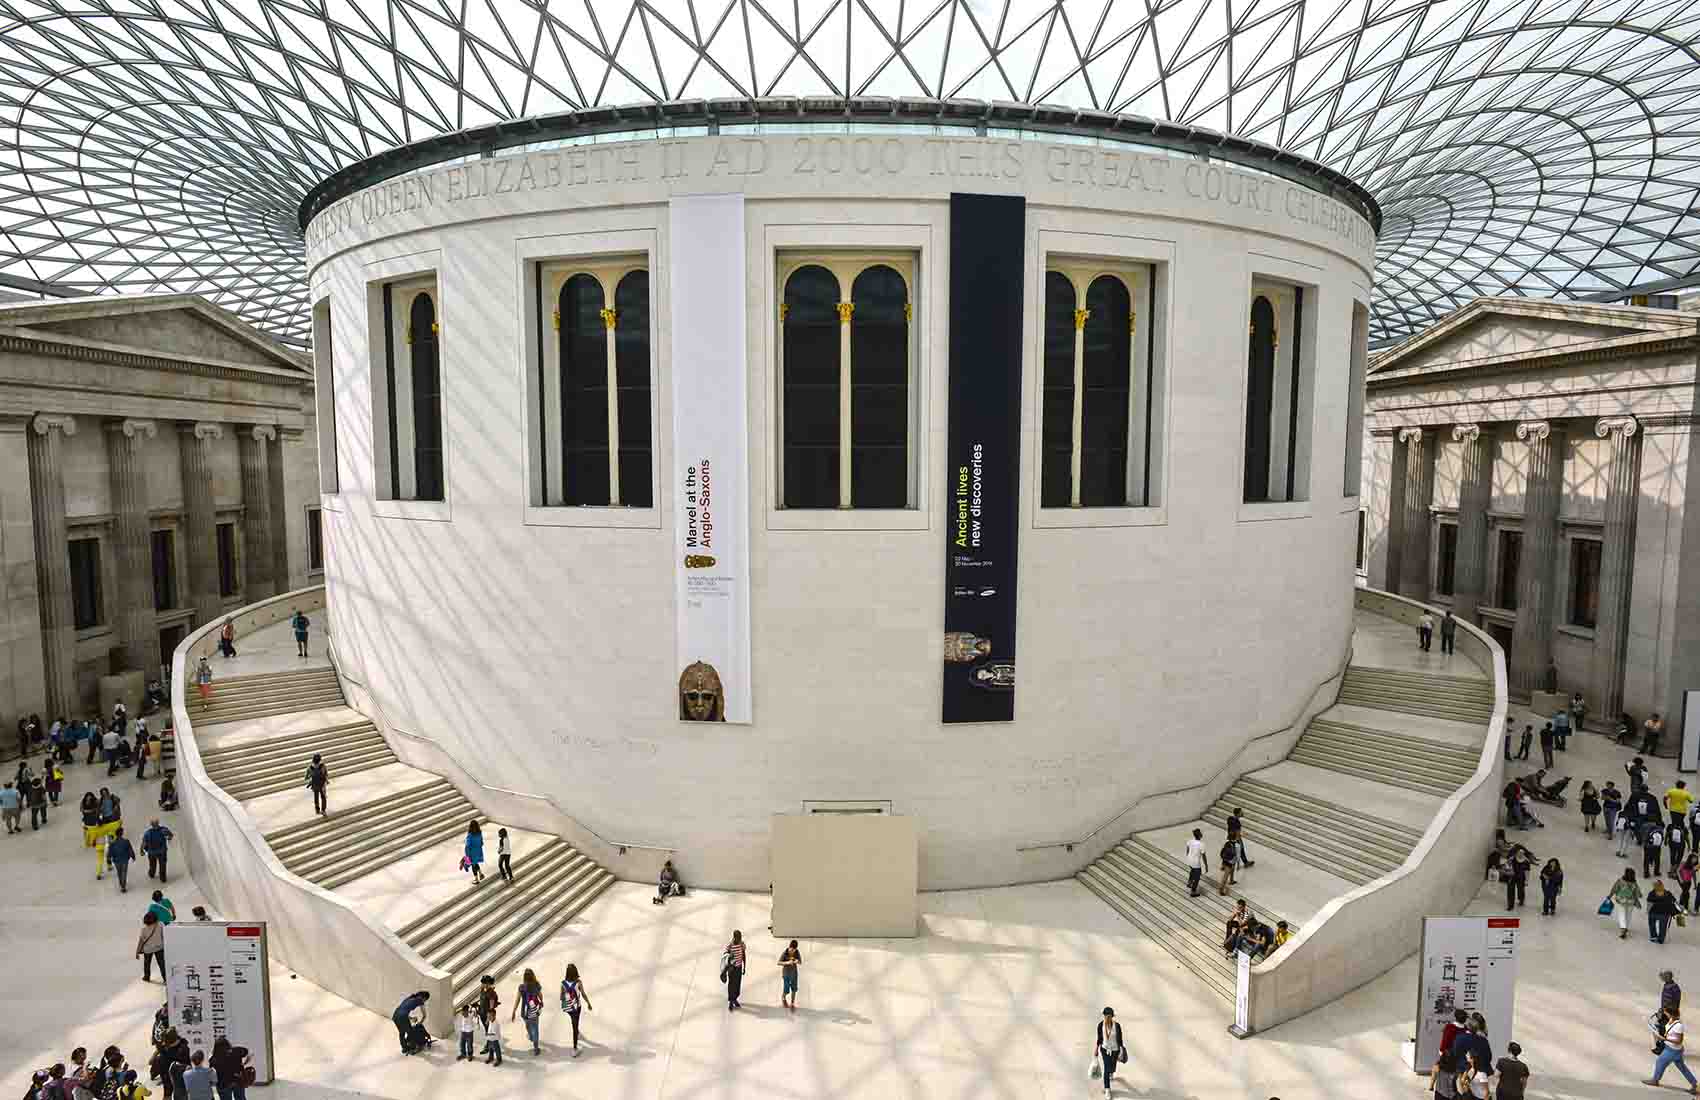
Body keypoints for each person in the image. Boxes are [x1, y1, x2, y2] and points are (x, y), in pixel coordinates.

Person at [1648, 1005, 1699, 1089]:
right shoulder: (1671, 1020)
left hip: (1672, 1050)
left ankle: (1655, 1080)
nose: (1665, 1014)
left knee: (1660, 1062)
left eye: (1666, 1013)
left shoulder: (1678, 1026)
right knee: (1682, 1068)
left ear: (1671, 1013)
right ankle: (1695, 1085)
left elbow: (1679, 1040)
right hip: (1674, 1049)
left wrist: (1665, 1039)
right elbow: (1666, 1029)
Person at [1093, 1006, 1127, 1099]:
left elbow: (1120, 1039)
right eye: (1106, 1016)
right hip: (1105, 1049)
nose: (1107, 1018)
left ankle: (1111, 1072)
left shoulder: (1117, 1026)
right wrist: (1096, 1048)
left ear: (1112, 1017)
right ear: (1104, 1016)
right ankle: (1107, 1089)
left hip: (1115, 1050)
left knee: (1112, 1066)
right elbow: (1099, 1038)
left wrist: (1121, 1049)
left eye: (1109, 1016)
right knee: (1106, 1069)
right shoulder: (1100, 1025)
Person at [559, 962, 591, 1057]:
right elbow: (583, 994)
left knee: (573, 1021)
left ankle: (576, 1030)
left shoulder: (563, 983)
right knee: (575, 1025)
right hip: (577, 1007)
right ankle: (574, 1049)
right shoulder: (578, 982)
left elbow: (561, 997)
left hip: (568, 1007)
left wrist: (567, 996)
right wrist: (588, 1003)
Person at [511, 968, 544, 1055]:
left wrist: (514, 1011)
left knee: (528, 1025)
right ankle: (536, 1048)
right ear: (533, 976)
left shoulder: (521, 987)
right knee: (535, 1028)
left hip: (525, 1012)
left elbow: (517, 1000)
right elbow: (540, 996)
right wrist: (541, 1002)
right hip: (534, 1011)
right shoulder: (536, 985)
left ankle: (531, 1035)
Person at [209, 1035, 249, 1100]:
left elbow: (211, 1069)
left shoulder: (214, 1058)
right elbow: (249, 1053)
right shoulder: (237, 1050)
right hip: (238, 1080)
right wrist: (244, 1063)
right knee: (241, 1098)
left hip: (223, 1083)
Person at [1612, 867, 1644, 939]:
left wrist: (1610, 895)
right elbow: (1638, 893)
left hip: (1621, 901)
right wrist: (1640, 896)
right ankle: (1626, 927)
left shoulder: (1620, 881)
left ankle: (1623, 928)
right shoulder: (1634, 883)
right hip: (1631, 902)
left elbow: (1614, 888)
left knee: (1621, 914)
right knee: (1628, 915)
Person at [136, 910, 166, 981]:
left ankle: (147, 977)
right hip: (159, 948)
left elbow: (141, 941)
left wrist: (137, 952)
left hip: (148, 949)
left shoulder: (144, 929)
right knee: (161, 964)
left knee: (147, 964)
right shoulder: (160, 924)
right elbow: (164, 935)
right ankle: (165, 978)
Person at [1651, 879, 1682, 944]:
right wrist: (1680, 908)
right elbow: (1675, 901)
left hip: (1655, 913)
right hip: (1666, 913)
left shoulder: (1652, 893)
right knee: (1663, 926)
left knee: (1652, 923)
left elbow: (1649, 903)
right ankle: (1661, 939)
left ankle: (1654, 936)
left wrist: (1648, 911)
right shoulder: (1668, 893)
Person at [109, 826, 137, 891]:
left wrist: (108, 859)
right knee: (124, 872)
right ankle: (123, 886)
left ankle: (121, 883)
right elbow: (130, 850)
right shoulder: (126, 841)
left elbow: (110, 852)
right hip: (124, 859)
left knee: (119, 872)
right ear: (121, 833)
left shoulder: (112, 843)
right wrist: (133, 856)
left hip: (116, 860)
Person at [723, 930, 746, 1010]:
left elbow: (743, 955)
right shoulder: (730, 945)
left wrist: (744, 966)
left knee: (737, 984)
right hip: (732, 969)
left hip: (739, 967)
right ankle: (731, 1001)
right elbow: (725, 956)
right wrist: (729, 956)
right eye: (738, 938)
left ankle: (735, 998)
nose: (740, 939)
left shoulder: (742, 944)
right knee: (731, 985)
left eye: (740, 937)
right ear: (734, 937)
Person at [1183, 828, 1208, 897]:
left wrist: (1188, 857)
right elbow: (1203, 856)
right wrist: (1206, 865)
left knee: (1192, 870)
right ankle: (1193, 891)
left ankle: (1189, 882)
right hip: (1196, 863)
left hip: (1189, 860)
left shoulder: (1190, 841)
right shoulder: (1201, 844)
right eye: (1201, 833)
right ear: (1199, 835)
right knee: (1197, 877)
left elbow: (1187, 850)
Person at [779, 940, 802, 1011]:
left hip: (794, 974)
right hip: (786, 974)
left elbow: (800, 962)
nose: (792, 951)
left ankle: (792, 1003)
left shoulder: (797, 952)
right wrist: (788, 962)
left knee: (794, 989)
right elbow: (779, 962)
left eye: (794, 950)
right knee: (786, 989)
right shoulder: (785, 952)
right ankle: (783, 998)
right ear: (789, 947)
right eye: (791, 950)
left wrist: (797, 961)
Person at [464, 819, 485, 884]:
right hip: (478, 851)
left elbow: (468, 845)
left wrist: (467, 855)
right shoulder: (479, 833)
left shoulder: (470, 835)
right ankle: (481, 874)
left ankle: (476, 879)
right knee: (475, 863)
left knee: (473, 865)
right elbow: (482, 842)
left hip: (472, 852)